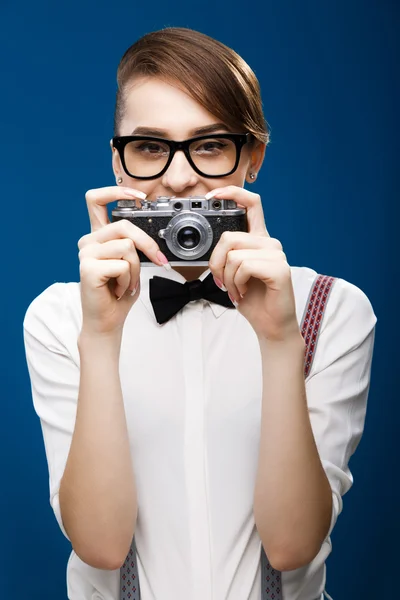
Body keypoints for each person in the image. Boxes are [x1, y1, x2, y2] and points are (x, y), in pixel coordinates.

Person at [23, 27, 377, 600]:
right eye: (150, 147)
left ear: (253, 157)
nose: (180, 177)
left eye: (210, 145)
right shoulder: (62, 317)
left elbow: (292, 546)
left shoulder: (331, 310)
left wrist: (281, 341)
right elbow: (101, 545)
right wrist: (101, 339)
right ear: (118, 161)